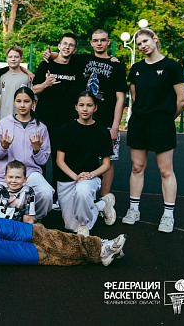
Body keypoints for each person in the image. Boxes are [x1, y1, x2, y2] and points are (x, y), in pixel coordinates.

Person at [43, 29, 127, 197]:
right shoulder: (83, 59)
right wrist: (50, 54)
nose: (99, 43)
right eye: (95, 40)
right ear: (91, 43)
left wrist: (115, 126)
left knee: (107, 160)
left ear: (108, 42)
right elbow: (63, 56)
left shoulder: (117, 66)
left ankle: (104, 200)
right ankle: (78, 191)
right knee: (79, 156)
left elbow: (120, 98)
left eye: (102, 40)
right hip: (83, 119)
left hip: (106, 120)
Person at [123, 28, 184, 233]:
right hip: (139, 123)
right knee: (137, 167)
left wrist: (166, 119)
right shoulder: (136, 68)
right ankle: (134, 210)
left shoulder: (171, 66)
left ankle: (168, 215)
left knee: (165, 170)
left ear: (155, 39)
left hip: (162, 124)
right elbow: (135, 97)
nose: (142, 46)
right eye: (139, 44)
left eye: (145, 41)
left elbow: (182, 99)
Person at [56, 92, 116, 237]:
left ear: (95, 108)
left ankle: (84, 225)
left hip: (90, 179)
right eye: (81, 105)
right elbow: (59, 161)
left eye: (89, 105)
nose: (85, 109)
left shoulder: (102, 131)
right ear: (76, 107)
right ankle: (102, 205)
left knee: (82, 192)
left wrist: (90, 175)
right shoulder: (66, 129)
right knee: (70, 226)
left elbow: (106, 164)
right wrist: (76, 177)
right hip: (68, 178)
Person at [0, 87, 54, 220]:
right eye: (19, 101)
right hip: (7, 175)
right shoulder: (5, 123)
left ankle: (34, 220)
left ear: (33, 103)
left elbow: (43, 161)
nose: (22, 105)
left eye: (26, 101)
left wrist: (37, 150)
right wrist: (4, 147)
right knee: (4, 213)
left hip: (30, 173)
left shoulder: (41, 127)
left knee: (46, 193)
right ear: (14, 102)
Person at [32, 33, 82, 186]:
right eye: (64, 44)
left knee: (60, 158)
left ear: (74, 50)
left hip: (65, 121)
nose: (67, 47)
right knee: (39, 157)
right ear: (59, 46)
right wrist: (45, 84)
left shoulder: (77, 66)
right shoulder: (46, 65)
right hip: (43, 119)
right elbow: (33, 90)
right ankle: (39, 190)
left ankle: (58, 192)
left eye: (71, 45)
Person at [0, 46, 32, 120]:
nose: (13, 59)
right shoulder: (2, 78)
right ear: (7, 59)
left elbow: (32, 100)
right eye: (10, 57)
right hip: (4, 118)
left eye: (16, 57)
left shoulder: (27, 78)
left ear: (21, 59)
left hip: (22, 119)